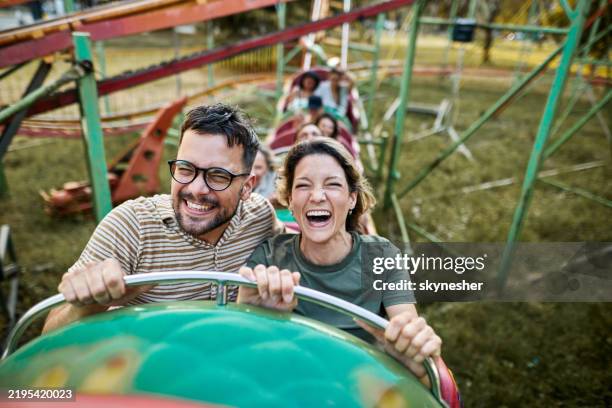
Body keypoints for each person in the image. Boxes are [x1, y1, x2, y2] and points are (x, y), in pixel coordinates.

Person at [43, 103, 283, 333]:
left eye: (218, 175)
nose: (196, 189)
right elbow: (49, 334)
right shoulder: (130, 226)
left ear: (248, 187)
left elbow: (295, 247)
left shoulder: (260, 217)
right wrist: (93, 301)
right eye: (185, 169)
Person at [236, 138, 442, 386]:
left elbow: (407, 329)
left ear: (352, 199)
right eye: (303, 186)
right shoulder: (269, 257)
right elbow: (245, 354)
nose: (317, 196)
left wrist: (412, 350)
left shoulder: (382, 255)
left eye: (332, 184)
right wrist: (255, 316)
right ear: (290, 200)